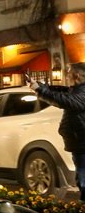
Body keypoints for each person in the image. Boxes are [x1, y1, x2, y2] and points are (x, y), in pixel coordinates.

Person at [28, 63, 85, 199]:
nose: (67, 75)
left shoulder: (82, 92)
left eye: (69, 72)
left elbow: (64, 100)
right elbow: (62, 91)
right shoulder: (78, 90)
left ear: (76, 76)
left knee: (83, 180)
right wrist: (40, 87)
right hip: (80, 143)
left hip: (83, 144)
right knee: (81, 178)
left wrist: (40, 91)